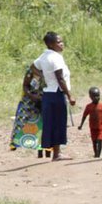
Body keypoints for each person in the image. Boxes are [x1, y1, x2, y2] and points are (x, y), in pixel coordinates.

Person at [34, 32, 75, 161]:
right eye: (58, 42)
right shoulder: (56, 58)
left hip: (48, 94)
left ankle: (55, 153)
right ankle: (57, 154)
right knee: (58, 123)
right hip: (57, 93)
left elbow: (33, 67)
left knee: (50, 123)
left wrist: (43, 76)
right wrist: (69, 95)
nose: (61, 44)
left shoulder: (43, 56)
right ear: (50, 44)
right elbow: (60, 78)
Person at [11, 64, 46, 154]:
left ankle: (42, 144)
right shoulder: (30, 72)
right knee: (21, 119)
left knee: (44, 122)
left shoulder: (50, 71)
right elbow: (25, 86)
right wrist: (31, 96)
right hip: (30, 98)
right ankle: (14, 143)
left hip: (45, 98)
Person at [78, 86, 102, 158]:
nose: (97, 98)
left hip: (101, 127)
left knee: (99, 140)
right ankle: (95, 153)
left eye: (98, 96)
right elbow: (84, 116)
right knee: (94, 141)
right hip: (92, 127)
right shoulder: (88, 106)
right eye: (95, 96)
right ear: (90, 97)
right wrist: (81, 125)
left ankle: (98, 155)